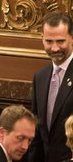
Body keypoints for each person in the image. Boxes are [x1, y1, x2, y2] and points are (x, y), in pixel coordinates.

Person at [27, 11, 73, 162]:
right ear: (42, 39)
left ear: (72, 38)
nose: (54, 48)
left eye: (60, 41)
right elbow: (37, 133)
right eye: (49, 41)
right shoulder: (40, 77)